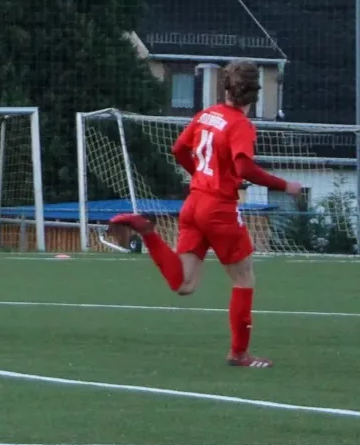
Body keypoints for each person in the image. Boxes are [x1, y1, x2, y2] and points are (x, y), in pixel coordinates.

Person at [111, 59, 303, 368]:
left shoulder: (207, 114)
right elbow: (243, 167)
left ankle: (147, 231)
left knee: (185, 284)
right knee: (243, 279)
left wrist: (200, 176)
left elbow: (178, 149)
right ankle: (239, 353)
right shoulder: (240, 124)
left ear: (225, 86)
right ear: (254, 94)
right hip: (219, 209)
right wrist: (285, 185)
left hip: (194, 203)